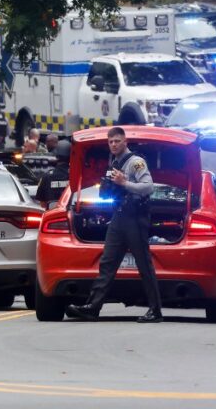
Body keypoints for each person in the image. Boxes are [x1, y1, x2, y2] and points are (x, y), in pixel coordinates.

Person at [66, 127, 162, 323]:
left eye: (117, 141)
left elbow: (148, 187)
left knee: (144, 264)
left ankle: (155, 310)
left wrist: (124, 182)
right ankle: (92, 307)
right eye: (110, 142)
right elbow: (112, 189)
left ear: (125, 141)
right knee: (107, 263)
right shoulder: (113, 162)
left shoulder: (136, 162)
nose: (113, 145)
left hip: (135, 218)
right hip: (118, 216)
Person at [36, 139, 71, 209]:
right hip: (71, 215)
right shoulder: (75, 176)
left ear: (56, 156)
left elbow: (42, 204)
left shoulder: (47, 177)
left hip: (52, 216)